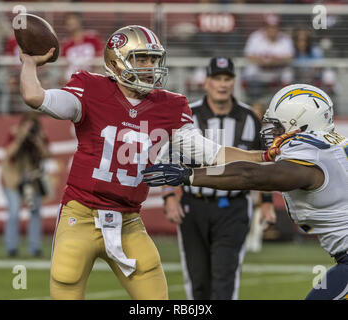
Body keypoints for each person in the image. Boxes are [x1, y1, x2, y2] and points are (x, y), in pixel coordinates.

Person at [18, 25, 282, 300]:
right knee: (66, 282)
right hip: (81, 214)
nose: (150, 66)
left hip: (128, 219)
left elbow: (212, 154)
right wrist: (28, 63)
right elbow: (35, 97)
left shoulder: (169, 106)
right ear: (117, 61)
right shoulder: (91, 88)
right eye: (141, 59)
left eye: (154, 59)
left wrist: (261, 155)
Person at [142, 83, 348, 300]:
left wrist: (189, 175)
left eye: (278, 126)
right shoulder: (330, 144)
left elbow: (252, 176)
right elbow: (254, 163)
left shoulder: (309, 154)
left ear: (300, 124)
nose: (271, 131)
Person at [160, 57, 276, 300]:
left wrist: (266, 201)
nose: (222, 84)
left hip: (233, 207)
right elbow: (166, 156)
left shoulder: (249, 117)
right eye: (217, 78)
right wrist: (169, 197)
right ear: (206, 82)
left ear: (234, 82)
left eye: (227, 79)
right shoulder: (187, 113)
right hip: (194, 204)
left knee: (224, 281)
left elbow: (262, 162)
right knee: (198, 282)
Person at [1, 111, 51, 257]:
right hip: (13, 179)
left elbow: (48, 155)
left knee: (35, 212)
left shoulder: (40, 136)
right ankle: (11, 248)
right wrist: (20, 138)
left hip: (32, 179)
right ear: (22, 125)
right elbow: (9, 154)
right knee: (14, 212)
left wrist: (38, 141)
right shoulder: (14, 133)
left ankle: (34, 248)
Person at [243, 13, 294, 102]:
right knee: (249, 70)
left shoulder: (285, 38)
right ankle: (249, 99)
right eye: (269, 27)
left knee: (288, 73)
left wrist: (274, 60)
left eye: (275, 27)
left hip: (277, 70)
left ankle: (286, 100)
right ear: (265, 27)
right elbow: (248, 55)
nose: (272, 29)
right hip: (260, 70)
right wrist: (262, 60)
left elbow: (290, 56)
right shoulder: (255, 36)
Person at [61, 12, 104, 81]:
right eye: (69, 23)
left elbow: (100, 57)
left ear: (79, 21)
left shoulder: (92, 38)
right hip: (72, 79)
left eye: (73, 22)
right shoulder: (66, 44)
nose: (71, 25)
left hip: (91, 77)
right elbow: (64, 66)